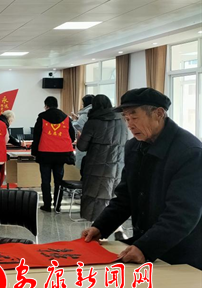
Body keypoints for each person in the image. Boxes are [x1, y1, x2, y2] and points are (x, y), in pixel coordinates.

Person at [82, 88, 202, 269]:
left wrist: (146, 247)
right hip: (144, 245)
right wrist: (100, 227)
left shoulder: (190, 152)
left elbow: (183, 214)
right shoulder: (133, 147)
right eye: (126, 118)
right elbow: (125, 197)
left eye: (134, 117)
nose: (130, 125)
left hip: (182, 252)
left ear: (158, 114)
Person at [76, 95, 128, 222]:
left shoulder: (93, 122)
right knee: (112, 198)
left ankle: (96, 230)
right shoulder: (122, 121)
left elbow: (82, 147)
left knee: (95, 201)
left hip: (96, 167)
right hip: (117, 166)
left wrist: (79, 138)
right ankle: (113, 227)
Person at [31, 96, 76, 212]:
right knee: (58, 181)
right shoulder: (66, 118)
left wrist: (34, 153)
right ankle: (57, 205)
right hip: (61, 155)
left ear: (46, 106)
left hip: (45, 154)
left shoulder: (42, 117)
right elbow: (72, 136)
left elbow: (36, 136)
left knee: (45, 181)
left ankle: (47, 205)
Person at [71, 94, 94, 169]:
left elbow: (78, 128)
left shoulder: (84, 115)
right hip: (94, 146)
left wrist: (73, 121)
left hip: (84, 143)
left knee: (82, 166)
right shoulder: (96, 113)